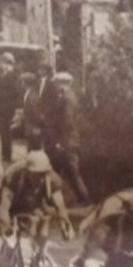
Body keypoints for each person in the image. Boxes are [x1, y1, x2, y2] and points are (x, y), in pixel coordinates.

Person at [0, 150, 72, 267]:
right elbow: (3, 207)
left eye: (43, 174)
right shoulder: (13, 177)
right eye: (35, 174)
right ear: (26, 171)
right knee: (10, 248)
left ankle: (40, 261)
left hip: (37, 206)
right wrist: (7, 226)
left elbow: (60, 206)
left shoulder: (52, 179)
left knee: (45, 220)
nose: (39, 178)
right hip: (14, 207)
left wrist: (66, 224)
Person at [41, 71, 90, 204]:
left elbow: (67, 122)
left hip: (67, 141)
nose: (55, 86)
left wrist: (60, 142)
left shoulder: (67, 98)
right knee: (62, 170)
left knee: (72, 171)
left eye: (57, 83)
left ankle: (84, 198)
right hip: (66, 140)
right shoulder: (66, 96)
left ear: (62, 84)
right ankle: (54, 197)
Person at [0, 51, 24, 163]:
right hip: (2, 108)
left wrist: (0, 95)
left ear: (8, 63)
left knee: (6, 132)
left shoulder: (12, 76)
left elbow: (15, 92)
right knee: (2, 131)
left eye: (3, 63)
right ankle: (4, 152)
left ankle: (7, 154)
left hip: (7, 108)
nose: (1, 65)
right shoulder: (4, 75)